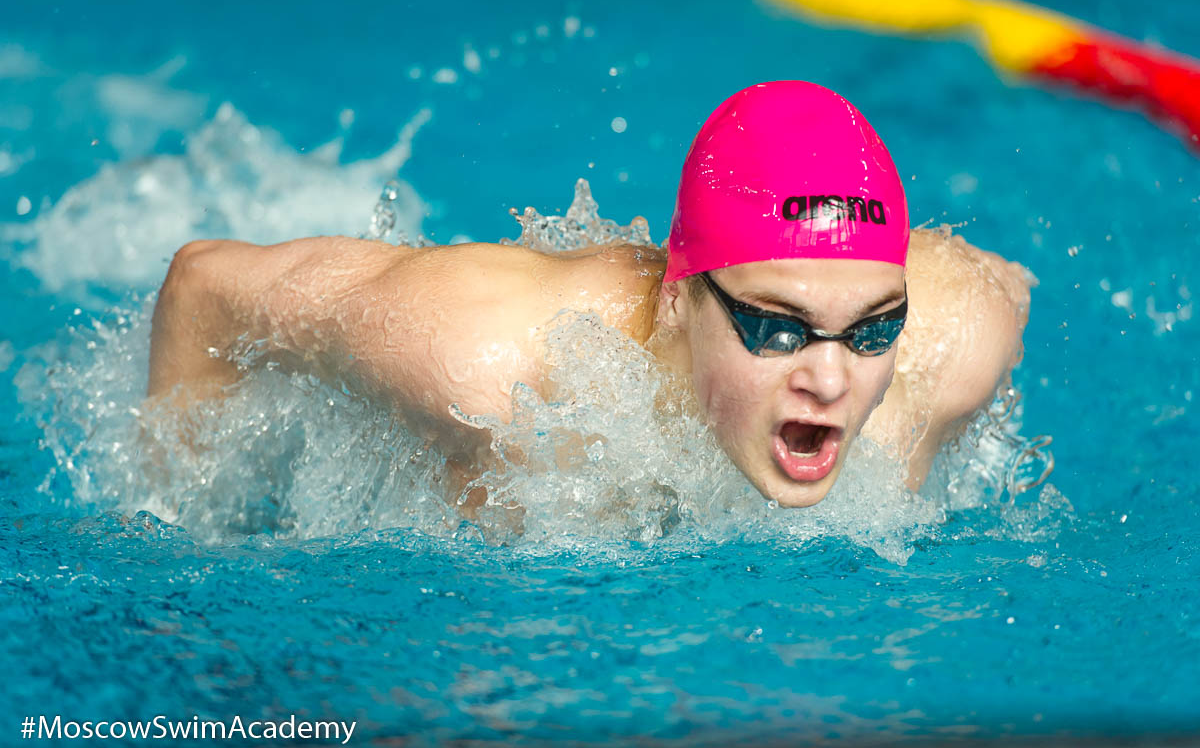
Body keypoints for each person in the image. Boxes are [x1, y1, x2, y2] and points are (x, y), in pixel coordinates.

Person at [148, 81, 1031, 510]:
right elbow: (204, 284)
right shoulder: (491, 362)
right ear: (681, 298)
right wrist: (183, 511)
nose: (833, 382)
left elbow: (1007, 288)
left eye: (872, 330)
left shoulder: (952, 341)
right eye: (775, 327)